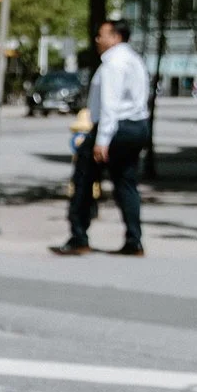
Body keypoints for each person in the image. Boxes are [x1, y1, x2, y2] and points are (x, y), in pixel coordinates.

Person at [54, 18, 150, 256]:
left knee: (83, 181)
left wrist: (102, 141)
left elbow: (110, 106)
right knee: (126, 183)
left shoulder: (113, 64)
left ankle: (79, 236)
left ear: (116, 37)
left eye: (102, 35)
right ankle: (134, 240)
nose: (97, 40)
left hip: (114, 129)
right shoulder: (135, 60)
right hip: (137, 127)